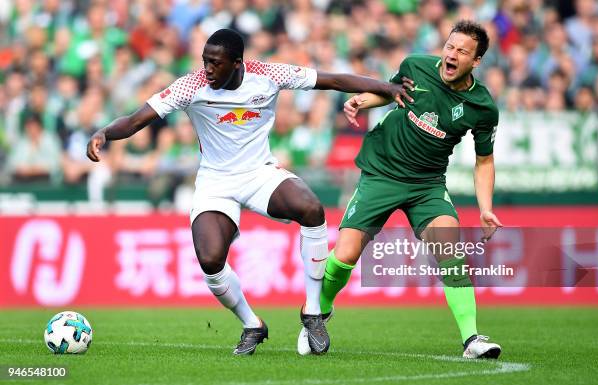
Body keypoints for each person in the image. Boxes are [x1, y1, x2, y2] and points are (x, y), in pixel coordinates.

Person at [87, 29, 411, 356]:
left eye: (215, 63)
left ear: (238, 63)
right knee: (211, 260)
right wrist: (105, 133)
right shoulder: (190, 86)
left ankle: (313, 312)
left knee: (311, 209)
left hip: (259, 173)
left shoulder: (268, 74)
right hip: (215, 182)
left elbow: (334, 81)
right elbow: (136, 119)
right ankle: (251, 324)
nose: (208, 69)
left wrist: (386, 87)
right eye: (205, 61)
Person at [306, 21, 503, 359]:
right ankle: (316, 314)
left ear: (477, 61)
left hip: (427, 184)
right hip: (382, 172)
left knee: (450, 251)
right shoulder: (416, 65)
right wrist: (360, 102)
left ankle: (472, 339)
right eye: (450, 47)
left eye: (462, 52)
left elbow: (484, 161)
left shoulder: (483, 107)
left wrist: (485, 207)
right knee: (345, 255)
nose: (452, 55)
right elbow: (389, 91)